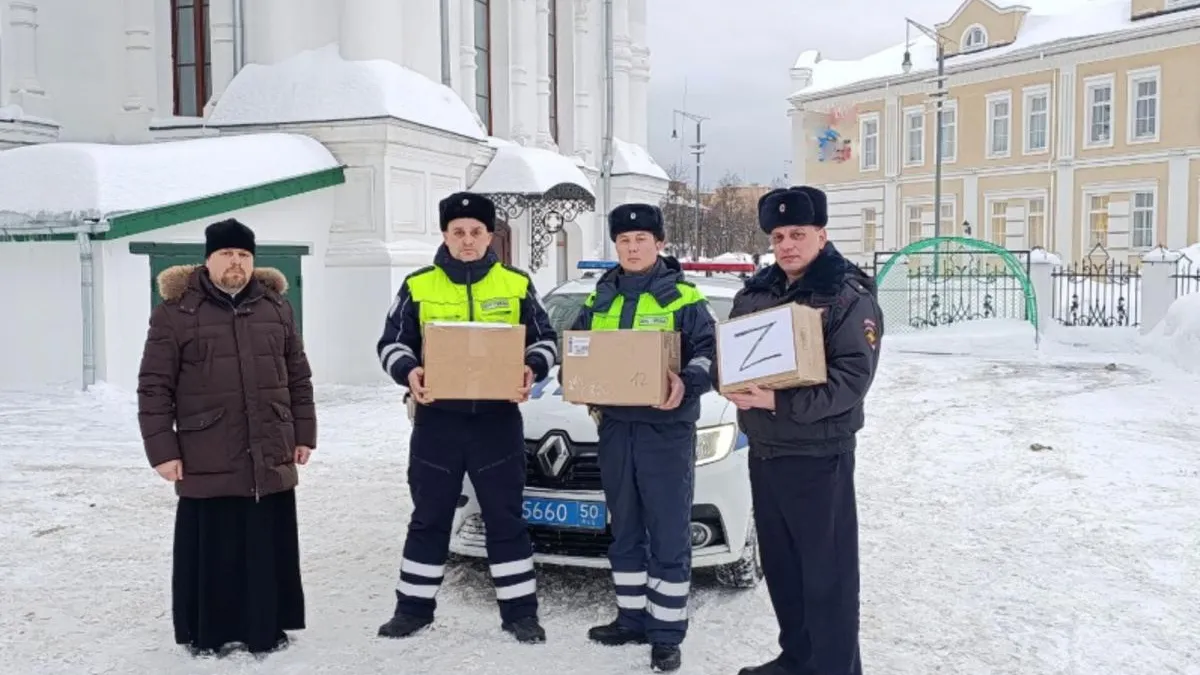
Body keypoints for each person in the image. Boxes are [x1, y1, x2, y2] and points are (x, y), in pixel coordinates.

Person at [375, 191, 557, 644]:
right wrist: (408, 370)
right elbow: (391, 343)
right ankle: (412, 609)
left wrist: (531, 366)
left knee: (506, 518)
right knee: (429, 516)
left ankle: (520, 614)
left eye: (476, 232)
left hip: (497, 423)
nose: (468, 240)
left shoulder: (516, 284)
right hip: (438, 423)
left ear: (490, 235)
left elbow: (546, 339)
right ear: (444, 236)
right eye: (458, 232)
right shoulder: (419, 285)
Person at [715, 186, 882, 675]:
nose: (787, 245)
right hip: (766, 451)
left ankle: (833, 668)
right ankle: (798, 658)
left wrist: (778, 400)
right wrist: (720, 379)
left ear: (822, 235)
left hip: (819, 454)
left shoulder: (848, 296)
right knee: (784, 570)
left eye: (798, 234)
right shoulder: (757, 293)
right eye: (779, 235)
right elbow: (731, 356)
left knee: (827, 577)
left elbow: (852, 381)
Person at [136, 218, 317, 656]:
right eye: (226, 255)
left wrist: (304, 432)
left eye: (243, 256)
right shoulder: (175, 313)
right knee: (214, 547)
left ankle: (266, 627)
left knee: (263, 543)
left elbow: (298, 376)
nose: (235, 263)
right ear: (208, 259)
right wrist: (162, 450)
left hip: (269, 445)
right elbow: (154, 386)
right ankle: (209, 633)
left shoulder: (276, 308)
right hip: (206, 449)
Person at [564, 203, 716, 673]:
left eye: (641, 240)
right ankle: (631, 617)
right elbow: (579, 347)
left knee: (668, 532)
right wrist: (578, 379)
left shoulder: (684, 298)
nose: (632, 248)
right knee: (624, 526)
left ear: (660, 244)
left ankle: (666, 633)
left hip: (665, 430)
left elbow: (711, 353)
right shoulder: (599, 298)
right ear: (616, 247)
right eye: (624, 242)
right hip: (614, 427)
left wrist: (686, 382)